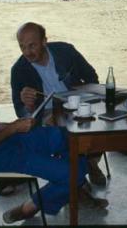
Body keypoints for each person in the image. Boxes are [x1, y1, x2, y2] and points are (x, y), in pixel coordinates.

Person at [0, 26, 108, 224]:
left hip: (1, 140)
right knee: (74, 172)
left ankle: (68, 189)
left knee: (68, 139)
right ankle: (31, 206)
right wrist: (14, 127)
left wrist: (15, 126)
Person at [10, 22, 107, 186]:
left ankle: (89, 163)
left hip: (78, 103)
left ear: (44, 41)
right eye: (22, 47)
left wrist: (83, 99)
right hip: (48, 112)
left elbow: (91, 77)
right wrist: (28, 106)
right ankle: (78, 179)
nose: (27, 52)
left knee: (100, 122)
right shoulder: (19, 70)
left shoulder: (66, 51)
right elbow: (21, 112)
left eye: (32, 45)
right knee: (63, 130)